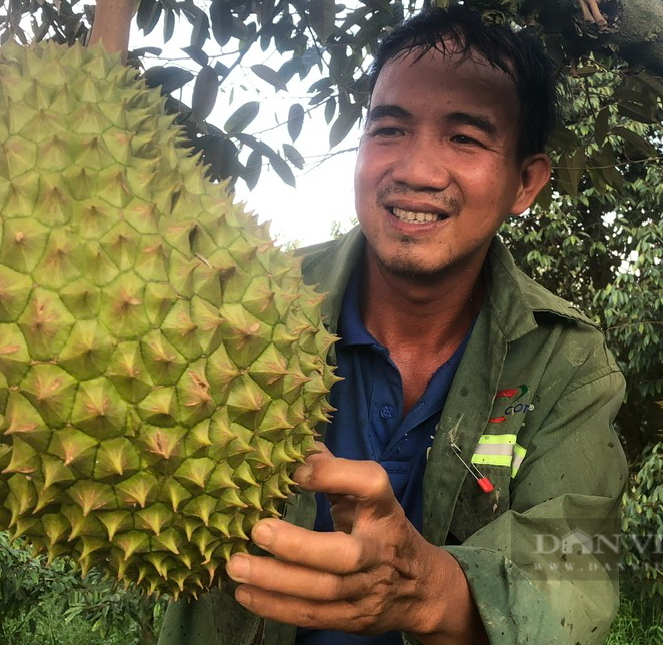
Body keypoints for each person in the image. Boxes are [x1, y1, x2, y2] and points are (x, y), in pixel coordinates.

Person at [158, 6, 628, 645]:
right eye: (389, 129)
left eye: (465, 138)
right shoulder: (241, 302)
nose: (416, 171)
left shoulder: (564, 361)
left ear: (525, 182)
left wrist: (429, 593)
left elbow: (575, 578)